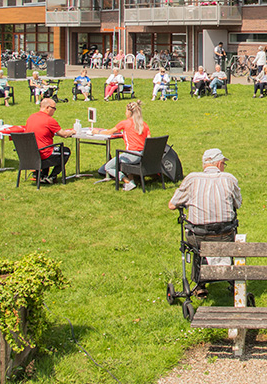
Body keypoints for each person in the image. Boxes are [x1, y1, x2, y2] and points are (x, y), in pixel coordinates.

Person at [168, 148, 242, 296]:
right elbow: (238, 204)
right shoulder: (229, 179)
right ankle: (229, 278)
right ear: (219, 163)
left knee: (197, 248)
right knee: (218, 241)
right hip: (225, 235)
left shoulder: (192, 179)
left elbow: (172, 205)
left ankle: (199, 283)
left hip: (198, 237)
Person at [94, 100, 151, 192]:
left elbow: (109, 132)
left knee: (108, 167)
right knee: (125, 160)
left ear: (129, 112)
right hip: (142, 156)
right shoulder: (144, 125)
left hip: (131, 155)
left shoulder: (125, 123)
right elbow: (149, 140)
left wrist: (97, 132)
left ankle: (127, 182)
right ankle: (131, 179)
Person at [25, 98, 75, 183]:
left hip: (30, 154)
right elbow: (64, 134)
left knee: (46, 146)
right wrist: (72, 131)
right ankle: (52, 177)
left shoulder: (31, 117)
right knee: (65, 151)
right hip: (44, 154)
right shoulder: (49, 120)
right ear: (48, 108)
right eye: (54, 108)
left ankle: (42, 175)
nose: (54, 111)